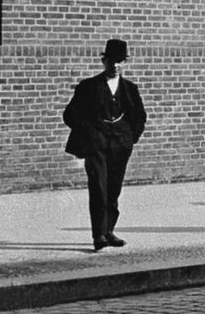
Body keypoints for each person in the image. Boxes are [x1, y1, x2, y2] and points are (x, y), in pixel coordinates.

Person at [63, 38, 147, 252]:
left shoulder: (129, 88)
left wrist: (130, 138)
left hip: (120, 144)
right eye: (111, 61)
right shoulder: (89, 86)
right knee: (98, 188)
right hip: (97, 144)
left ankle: (109, 230)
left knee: (113, 189)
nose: (115, 65)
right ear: (104, 61)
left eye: (119, 61)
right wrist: (89, 132)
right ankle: (98, 235)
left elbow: (139, 116)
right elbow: (70, 114)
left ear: (125, 62)